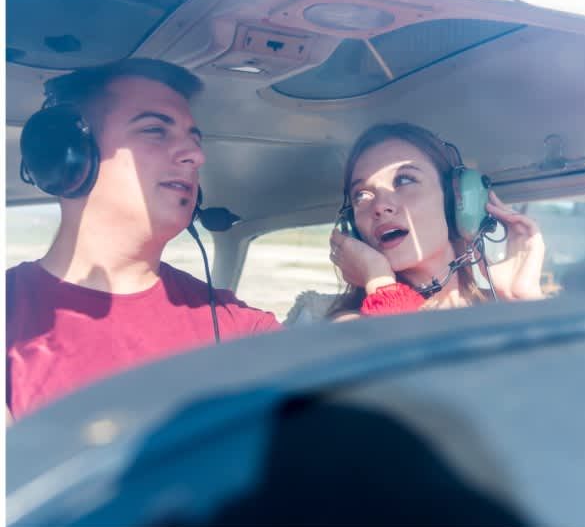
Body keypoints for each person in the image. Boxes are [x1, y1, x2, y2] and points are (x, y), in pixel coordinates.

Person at [6, 59, 280, 423]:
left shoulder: (239, 326)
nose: (197, 156)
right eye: (155, 130)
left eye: (194, 141)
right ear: (69, 156)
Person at [326, 123, 545, 320]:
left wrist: (522, 301)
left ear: (454, 201)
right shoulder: (352, 324)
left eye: (404, 180)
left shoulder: (500, 308)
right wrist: (378, 278)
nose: (380, 206)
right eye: (361, 195)